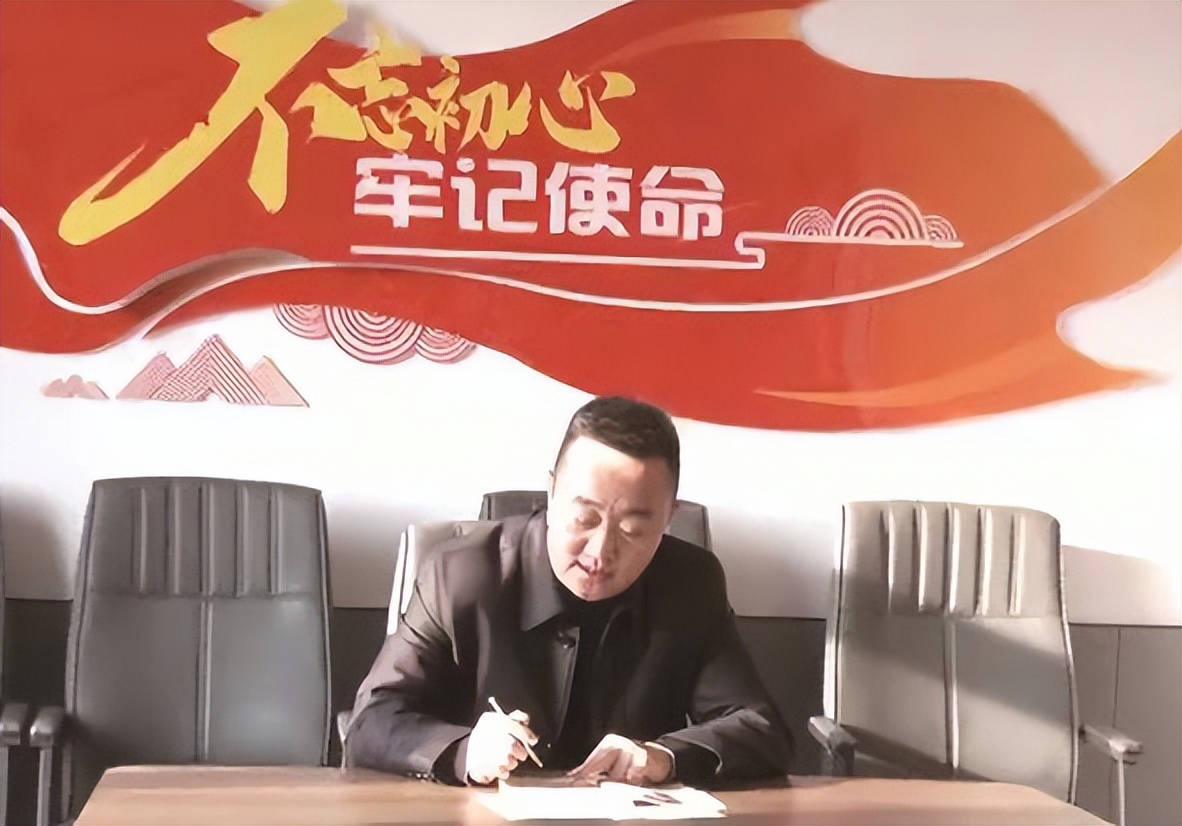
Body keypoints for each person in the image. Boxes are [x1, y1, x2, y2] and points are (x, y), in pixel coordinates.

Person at [345, 396, 793, 787]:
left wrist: (664, 757)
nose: (601, 552)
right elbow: (371, 721)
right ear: (552, 491)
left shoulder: (690, 583)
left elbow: (760, 728)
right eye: (584, 519)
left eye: (633, 530)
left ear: (668, 518)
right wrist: (463, 750)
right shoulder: (460, 575)